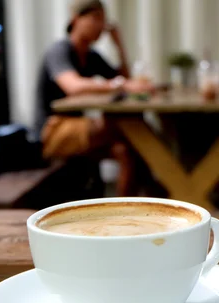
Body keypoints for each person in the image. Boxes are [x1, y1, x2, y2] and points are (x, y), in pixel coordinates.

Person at [33, 0, 153, 197]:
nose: (101, 26)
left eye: (104, 20)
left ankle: (123, 213)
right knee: (130, 128)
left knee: (125, 151)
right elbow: (73, 86)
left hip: (78, 127)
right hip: (52, 130)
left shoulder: (91, 55)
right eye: (95, 18)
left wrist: (119, 45)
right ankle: (162, 190)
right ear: (75, 19)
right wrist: (120, 85)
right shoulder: (60, 50)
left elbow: (124, 78)